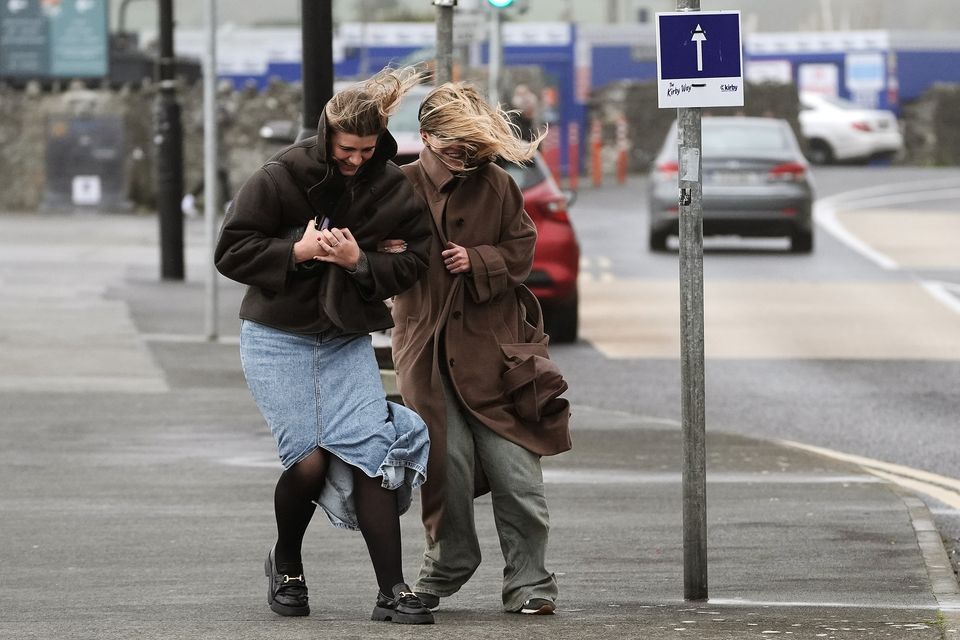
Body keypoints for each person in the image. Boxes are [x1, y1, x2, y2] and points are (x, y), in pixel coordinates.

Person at [214, 66, 436, 625]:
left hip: (344, 340)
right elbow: (231, 250)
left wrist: (359, 260)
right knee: (309, 463)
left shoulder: (391, 185)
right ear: (326, 136)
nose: (357, 159)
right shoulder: (281, 175)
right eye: (346, 149)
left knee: (372, 457)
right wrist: (299, 251)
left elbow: (415, 259)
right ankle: (286, 561)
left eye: (366, 149)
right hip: (275, 339)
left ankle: (392, 591)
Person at [390, 83, 572, 616]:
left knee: (518, 476)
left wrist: (481, 260)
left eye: (473, 148)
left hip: (496, 355)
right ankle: (445, 567)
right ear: (424, 137)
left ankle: (531, 584)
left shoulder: (497, 185)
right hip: (427, 354)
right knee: (447, 469)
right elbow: (376, 266)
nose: (465, 160)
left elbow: (522, 249)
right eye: (454, 149)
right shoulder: (397, 187)